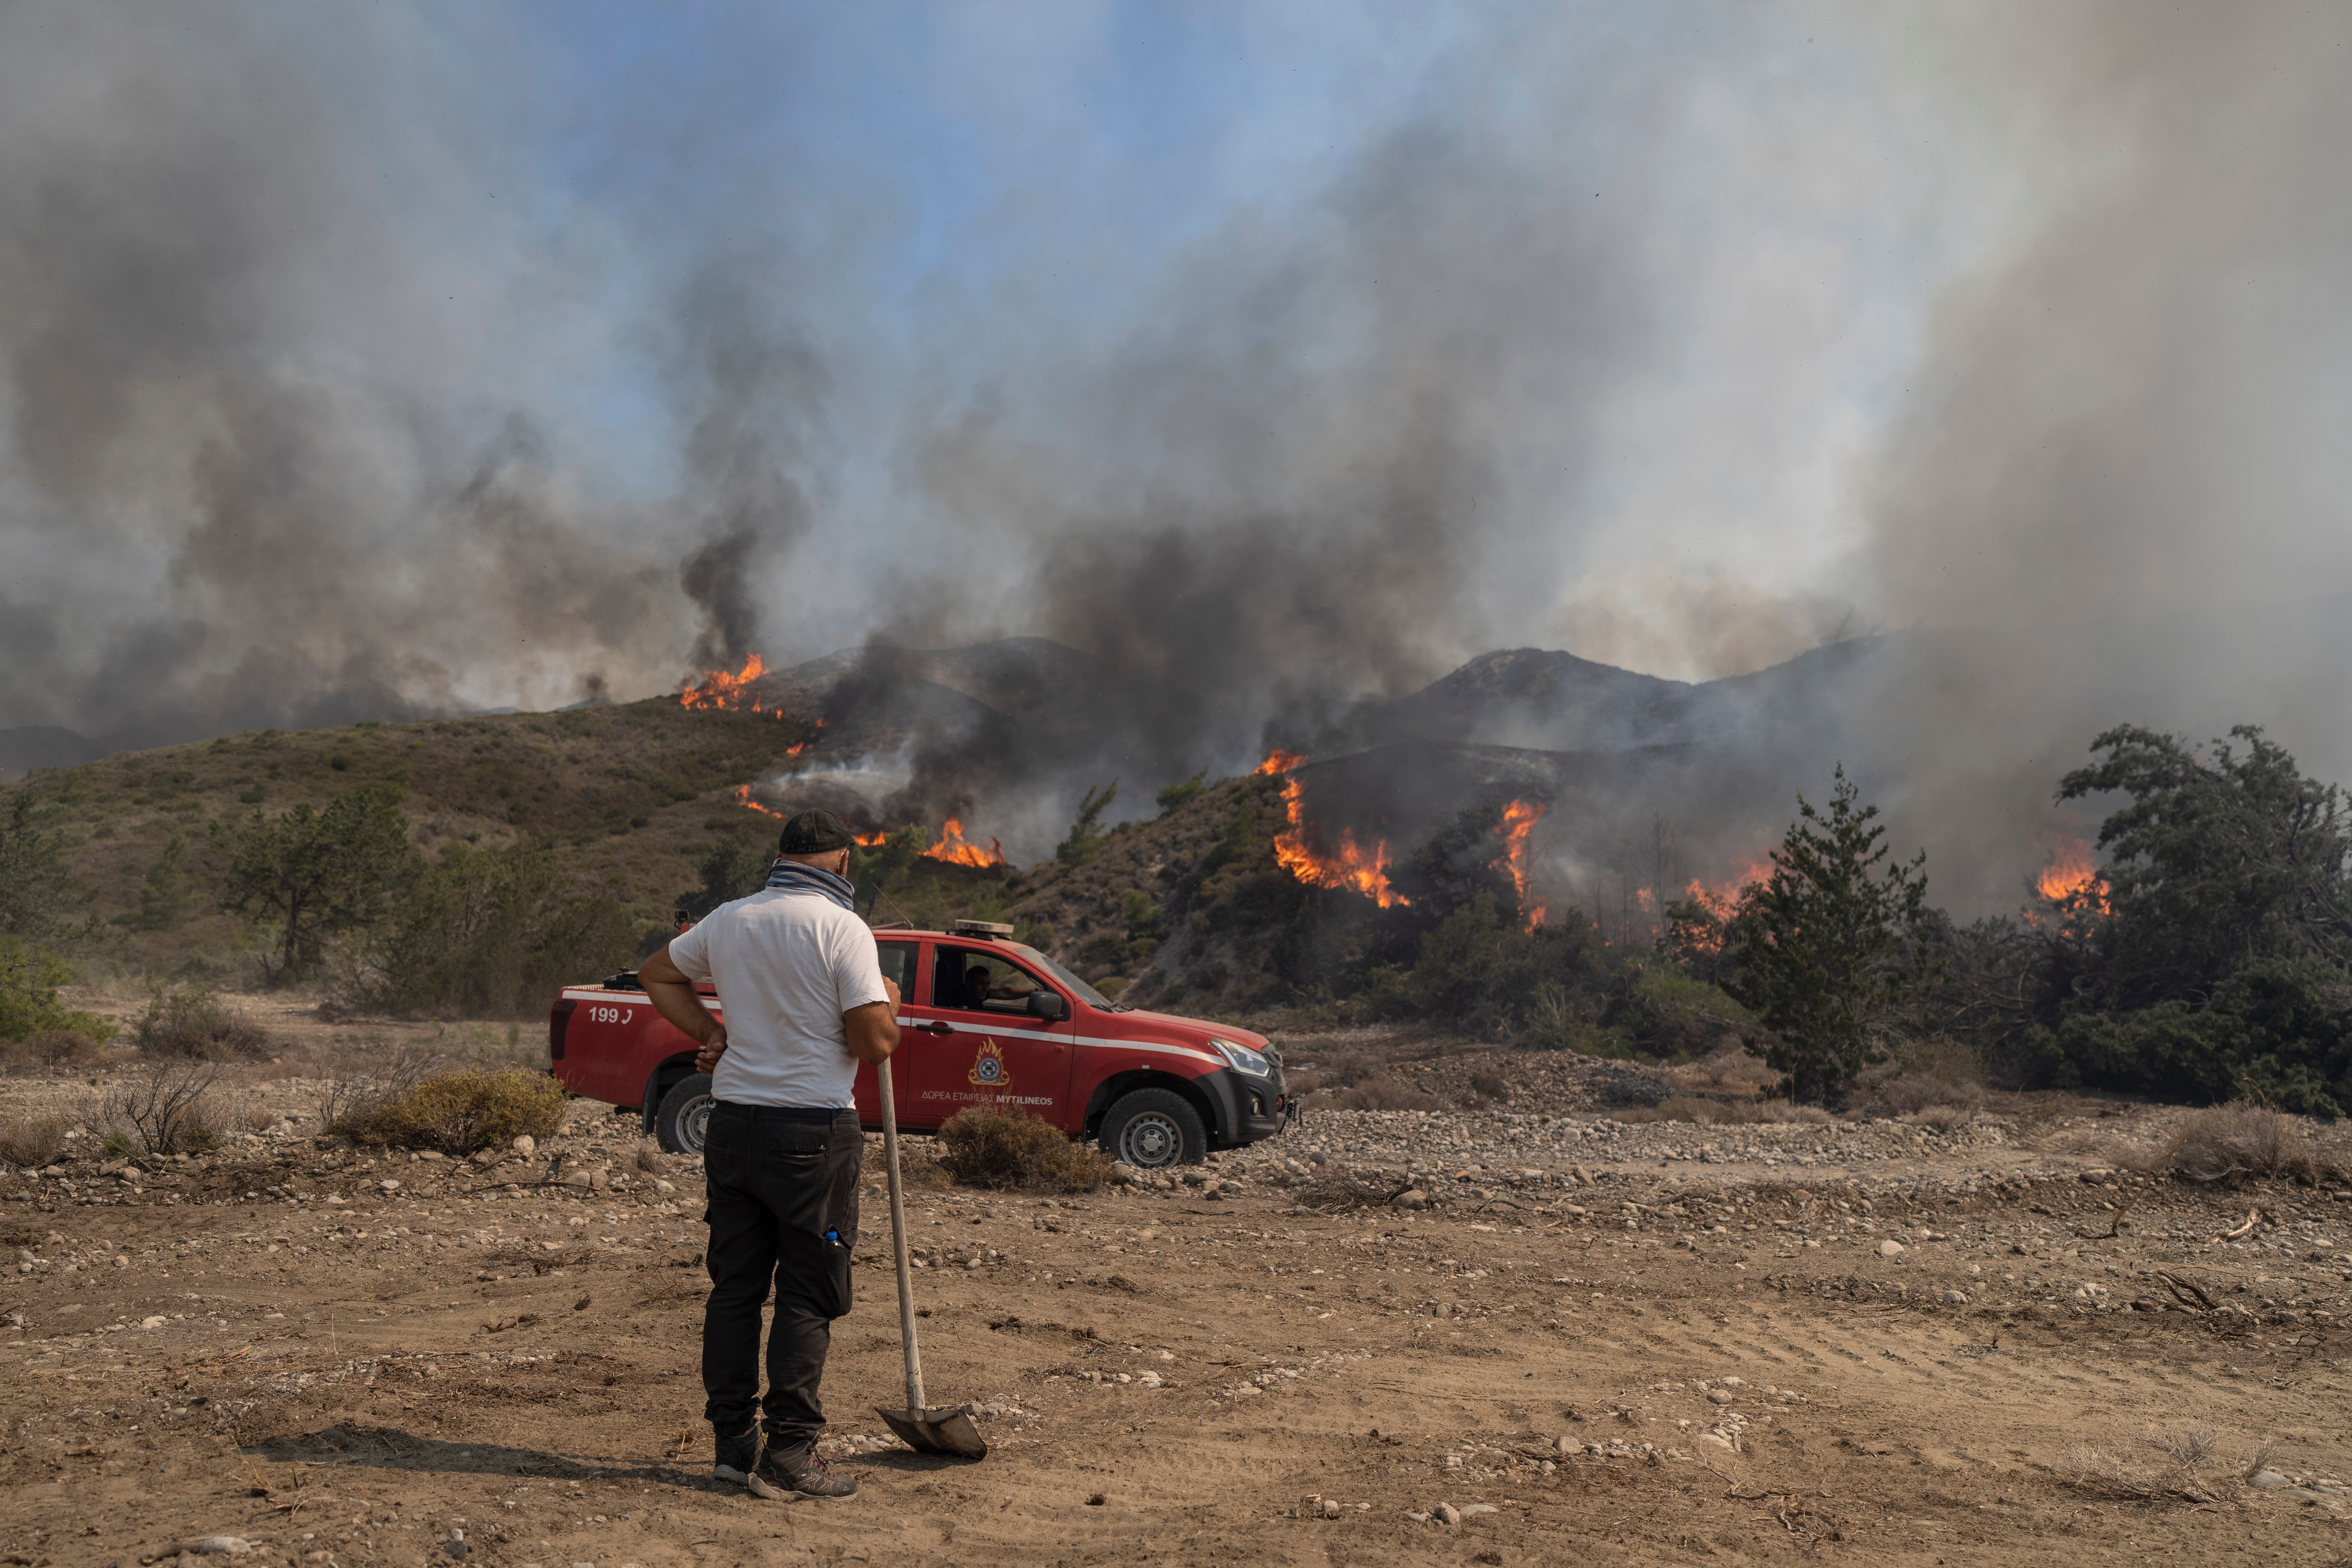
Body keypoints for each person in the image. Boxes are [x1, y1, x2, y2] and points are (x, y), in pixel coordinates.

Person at [638, 807, 899, 1501]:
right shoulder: (843, 928)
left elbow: (657, 973)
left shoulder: (730, 919)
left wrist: (710, 1030)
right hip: (814, 1134)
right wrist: (889, 1005)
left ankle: (732, 1448)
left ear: (784, 857)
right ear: (842, 862)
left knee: (735, 1292)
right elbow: (874, 1044)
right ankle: (789, 1453)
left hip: (733, 1128)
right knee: (810, 1294)